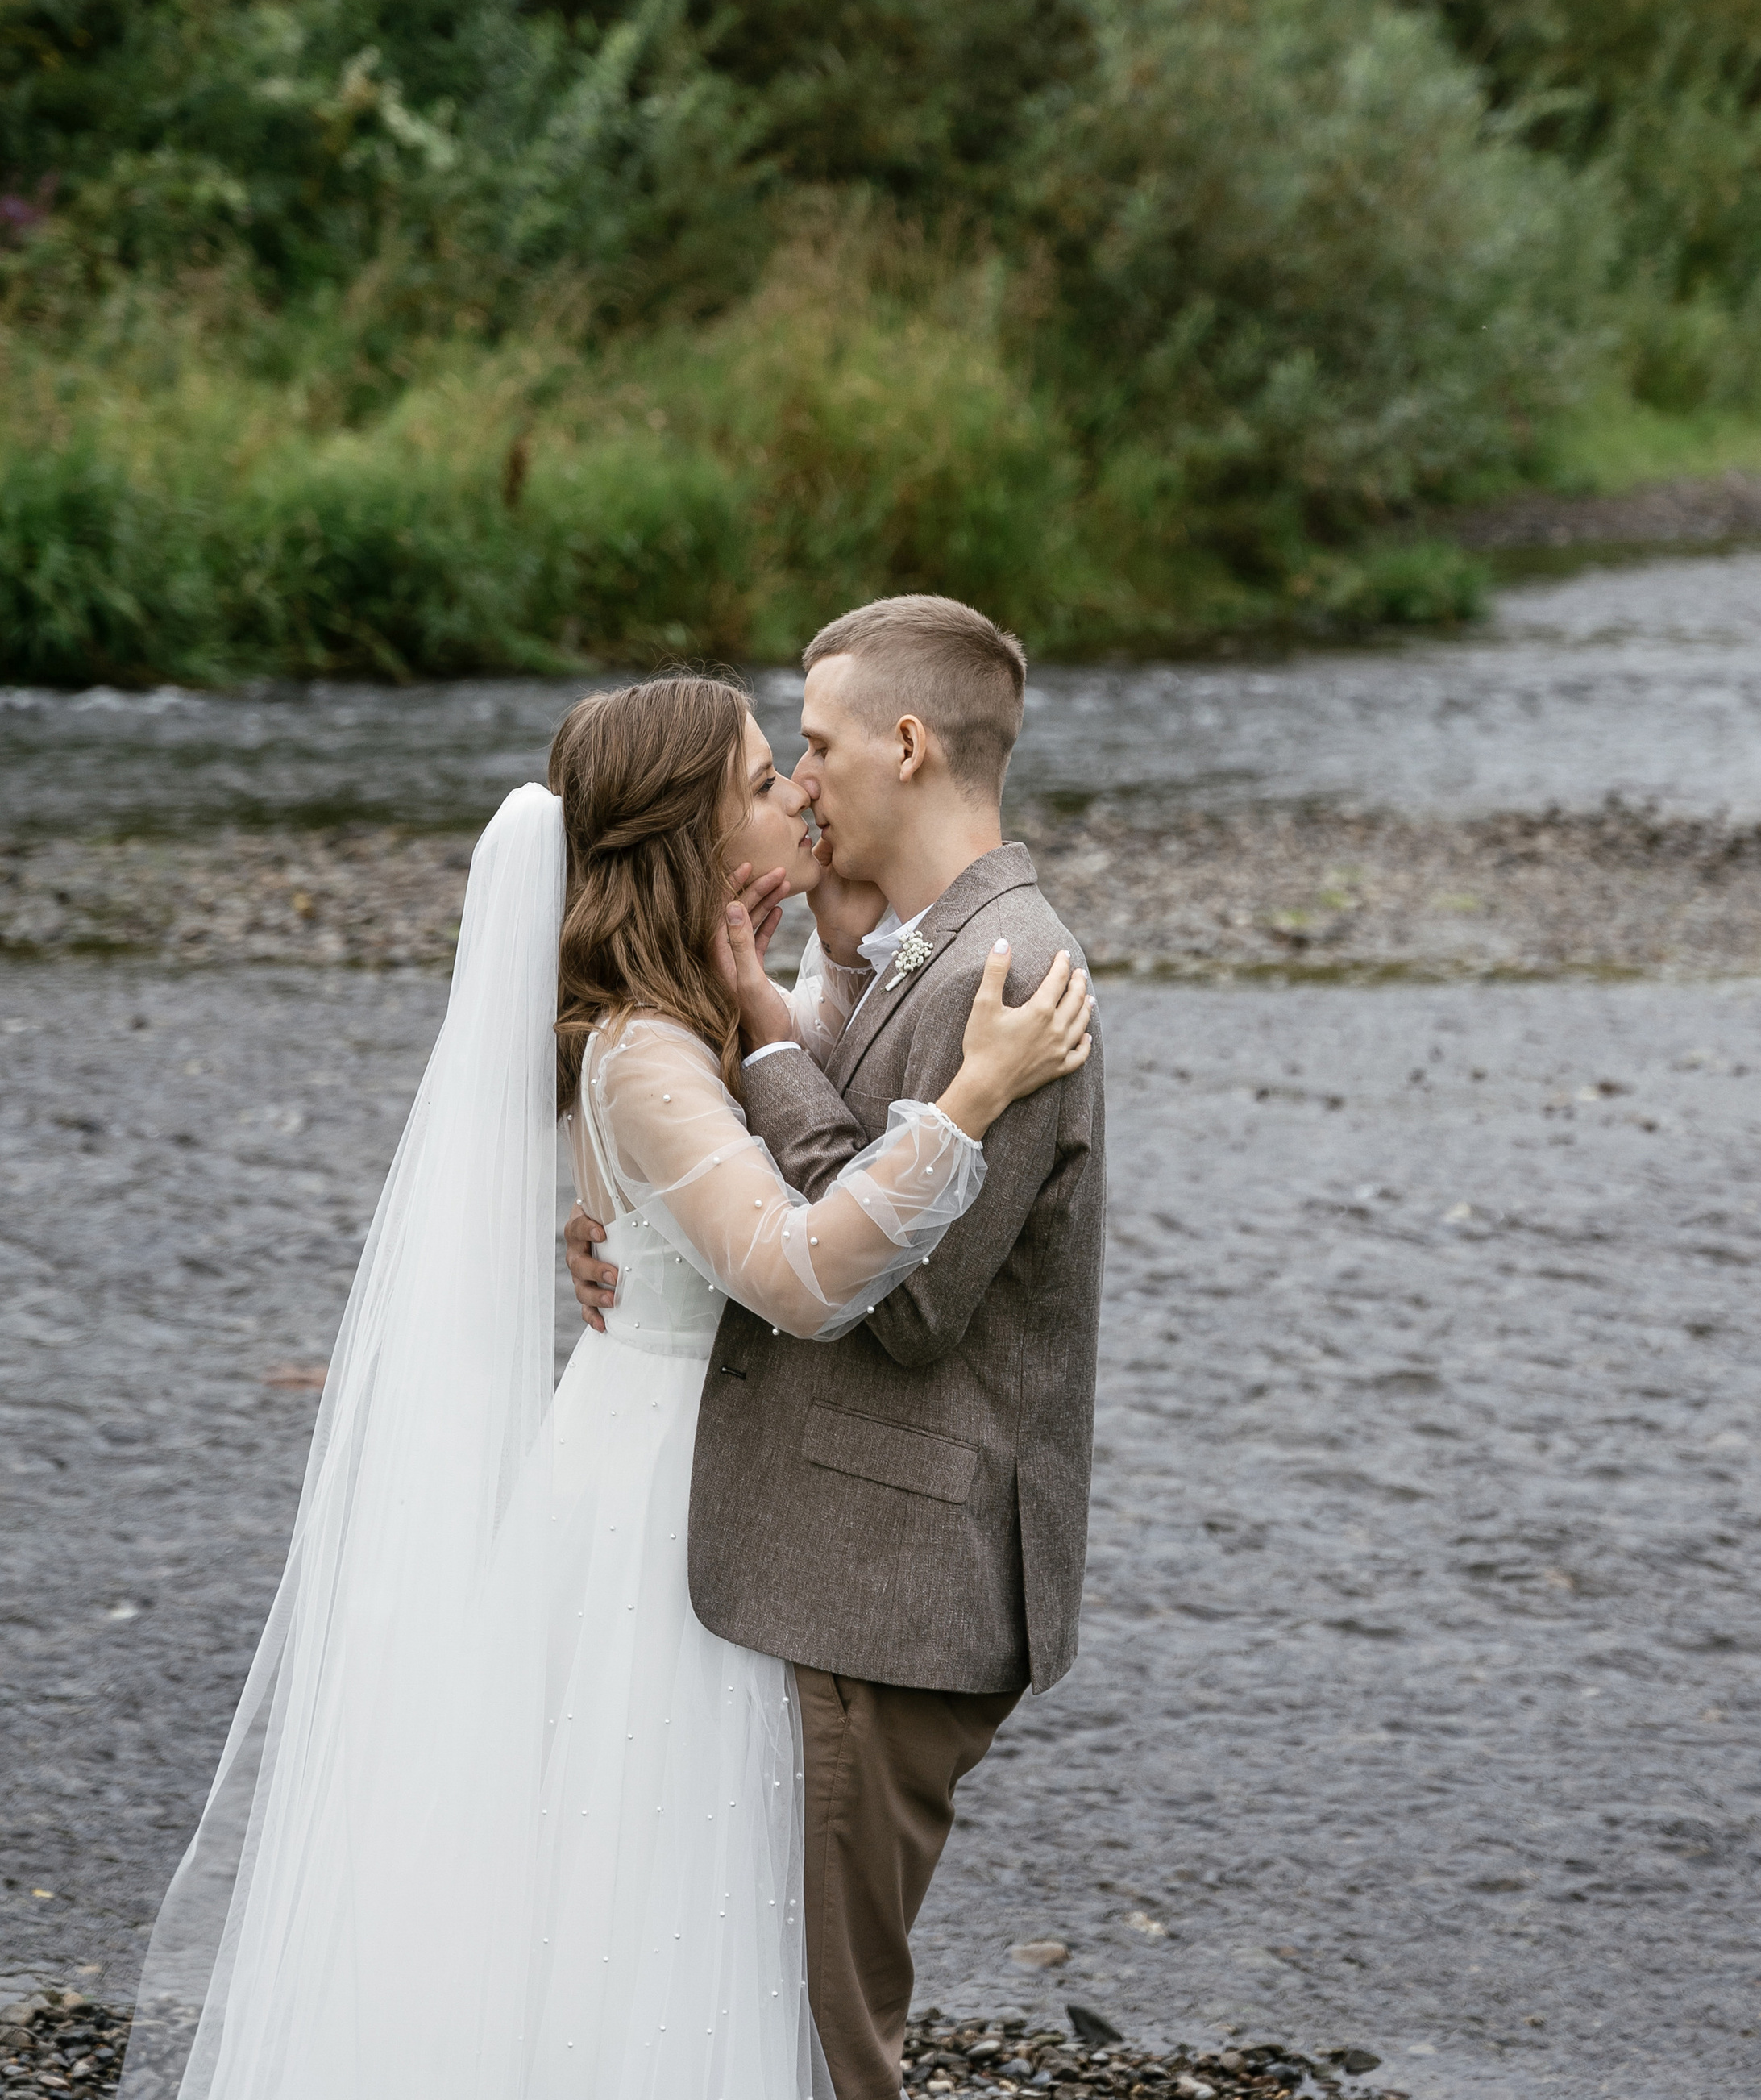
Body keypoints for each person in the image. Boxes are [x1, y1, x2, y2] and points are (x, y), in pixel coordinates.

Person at [120, 667, 1090, 2100]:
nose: (800, 793)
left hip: (686, 1470)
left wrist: (795, 973)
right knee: (659, 1891)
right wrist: (971, 1099)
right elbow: (805, 1273)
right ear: (698, 843)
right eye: (767, 782)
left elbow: (777, 1134)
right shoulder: (642, 1052)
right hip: (664, 1513)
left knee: (669, 1887)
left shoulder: (684, 1016)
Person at [564, 594, 1107, 2100]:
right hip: (813, 1548)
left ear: (909, 745)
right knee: (752, 1997)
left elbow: (905, 1302)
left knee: (820, 2032)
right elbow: (780, 1170)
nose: (801, 783)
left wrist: (793, 1042)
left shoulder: (1007, 981)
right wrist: (629, 1211)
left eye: (808, 746)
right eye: (773, 765)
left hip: (891, 1565)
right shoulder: (895, 954)